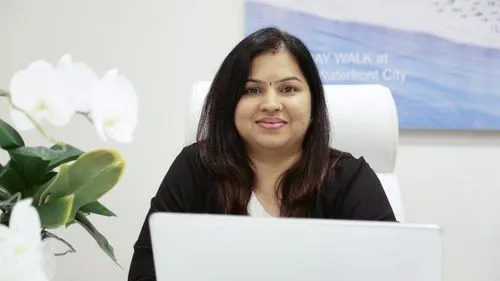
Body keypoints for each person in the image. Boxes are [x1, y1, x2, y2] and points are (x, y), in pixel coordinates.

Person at [128, 27, 396, 281]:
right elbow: (146, 273)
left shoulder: (349, 178)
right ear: (229, 103)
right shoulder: (196, 167)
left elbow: (393, 273)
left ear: (313, 102)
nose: (270, 104)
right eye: (252, 90)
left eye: (288, 89)